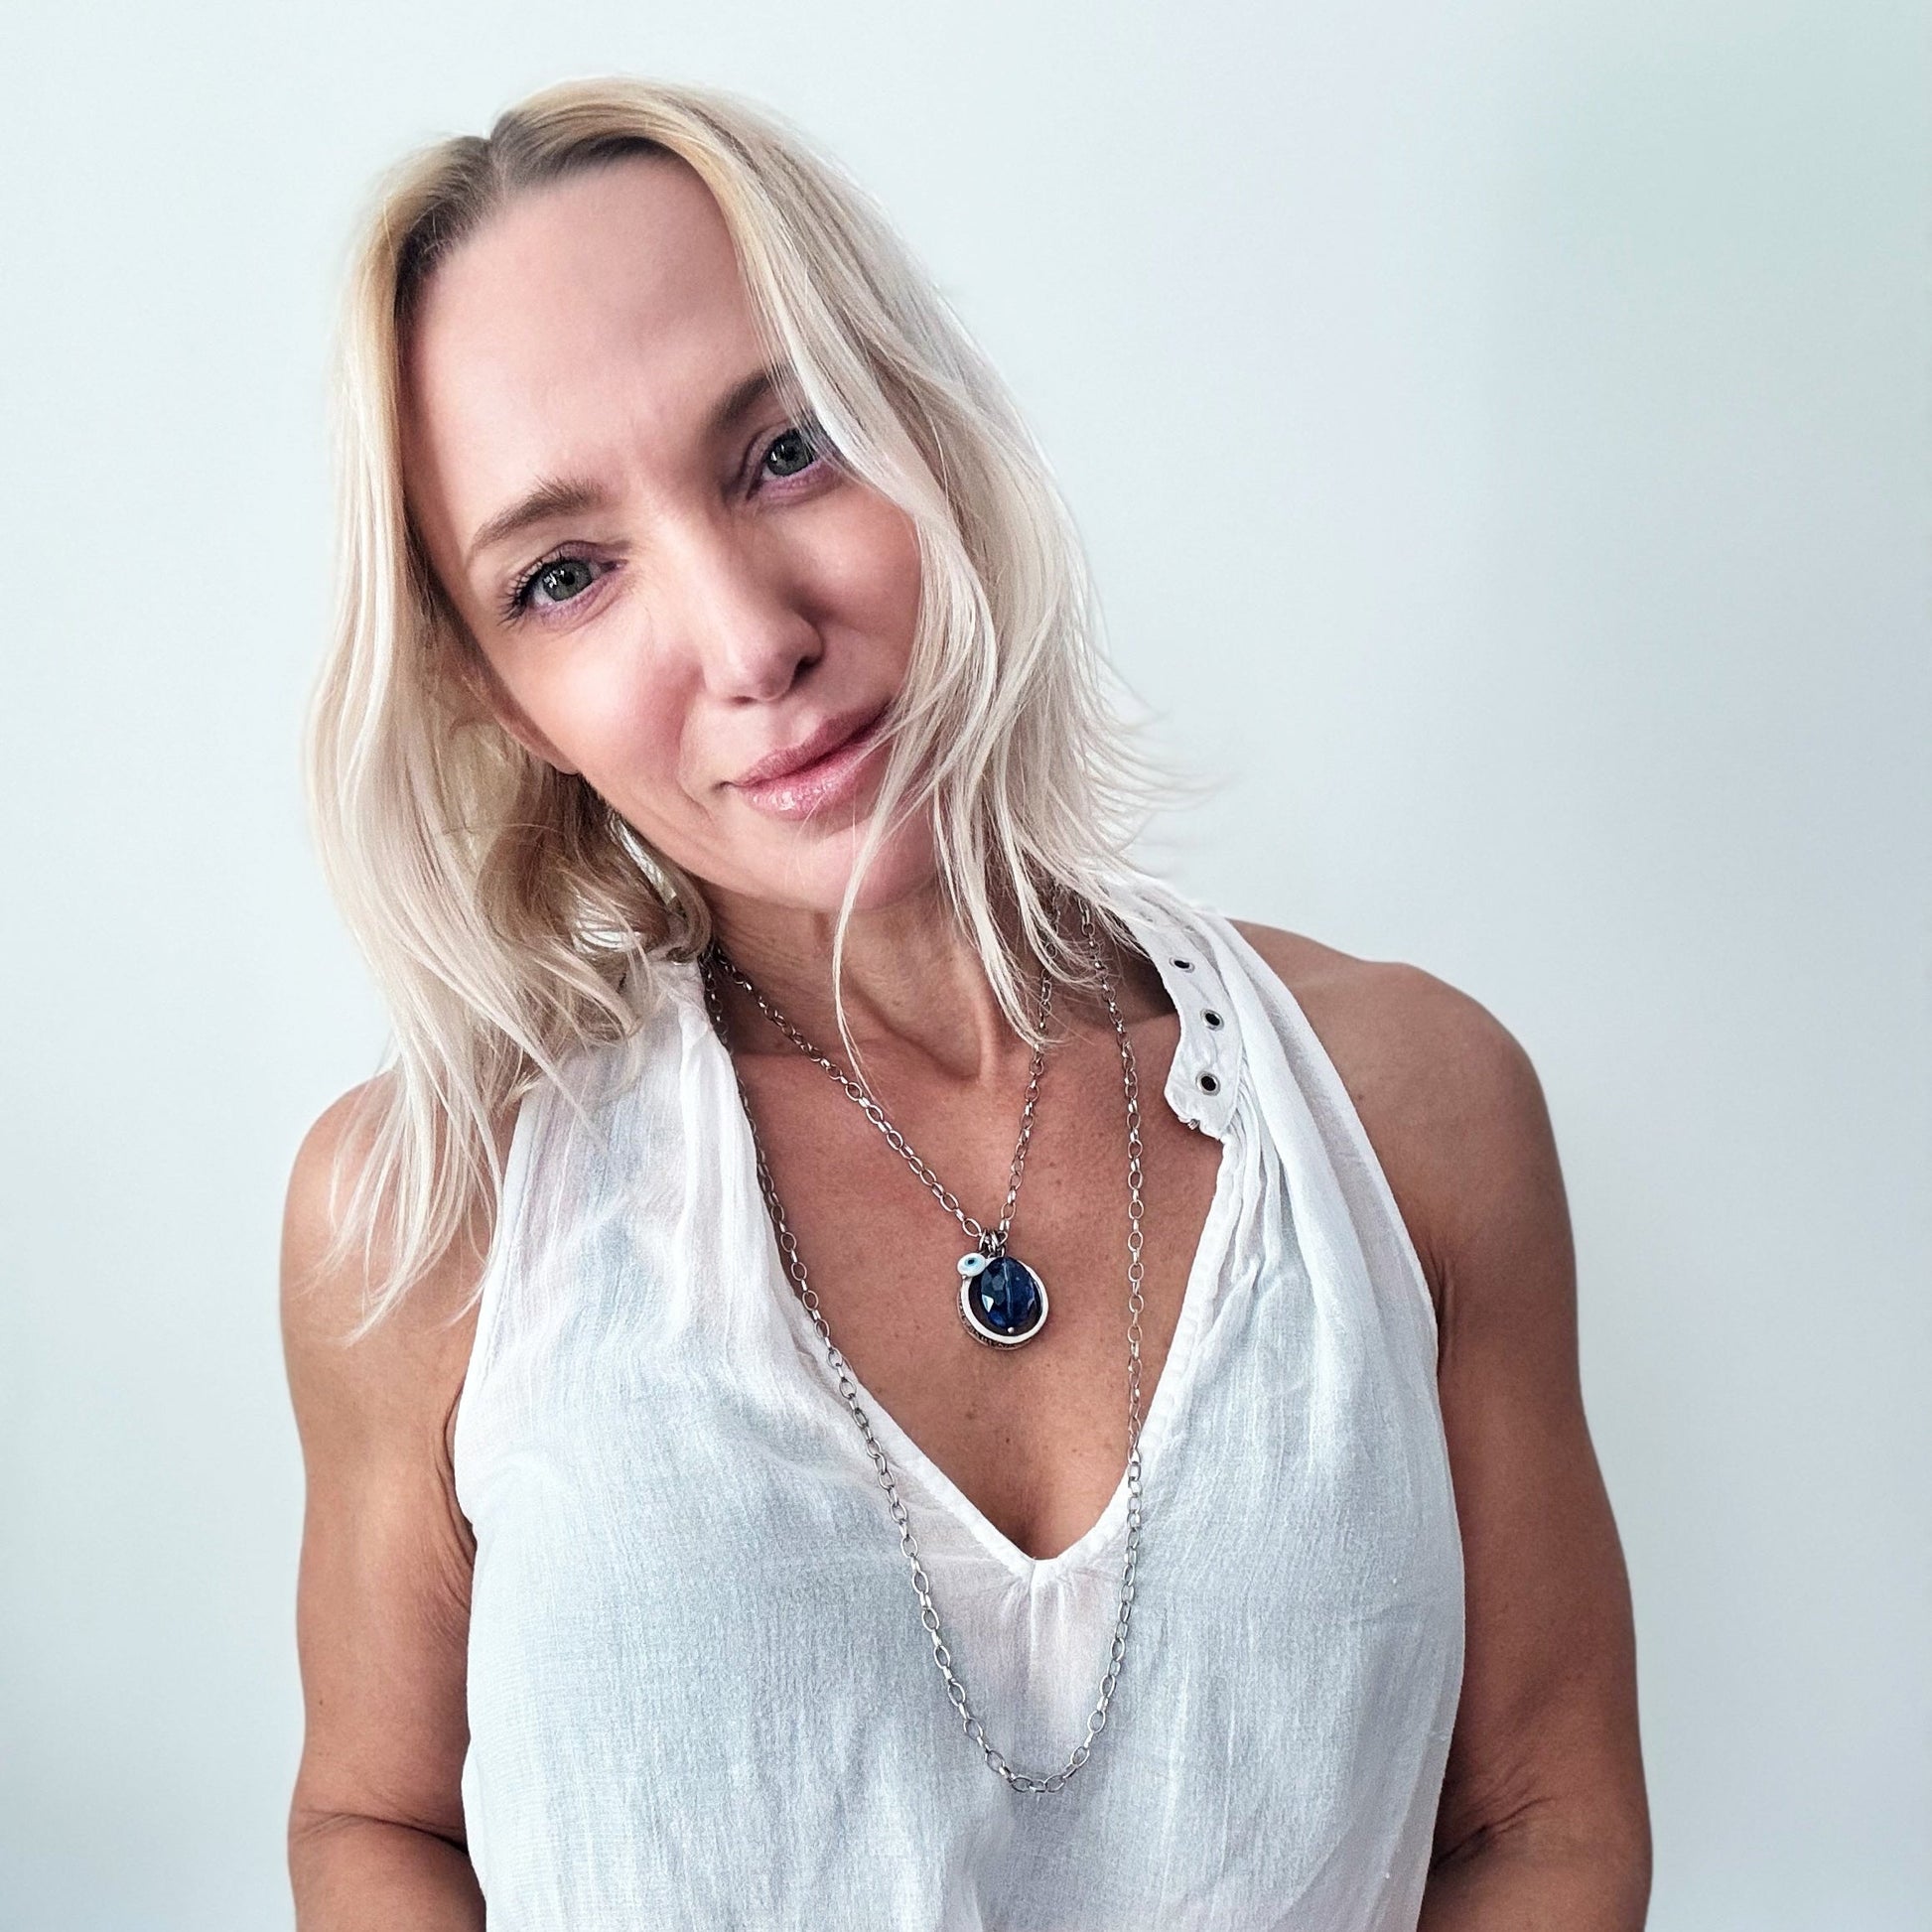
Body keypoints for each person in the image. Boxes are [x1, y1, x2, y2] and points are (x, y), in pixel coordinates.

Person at [280, 73, 1649, 1931]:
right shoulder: (429, 1211)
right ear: (494, 694)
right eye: (568, 574)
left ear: (920, 417)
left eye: (786, 448)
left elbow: (1542, 1818)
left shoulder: (1414, 1111)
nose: (750, 636)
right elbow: (375, 1819)